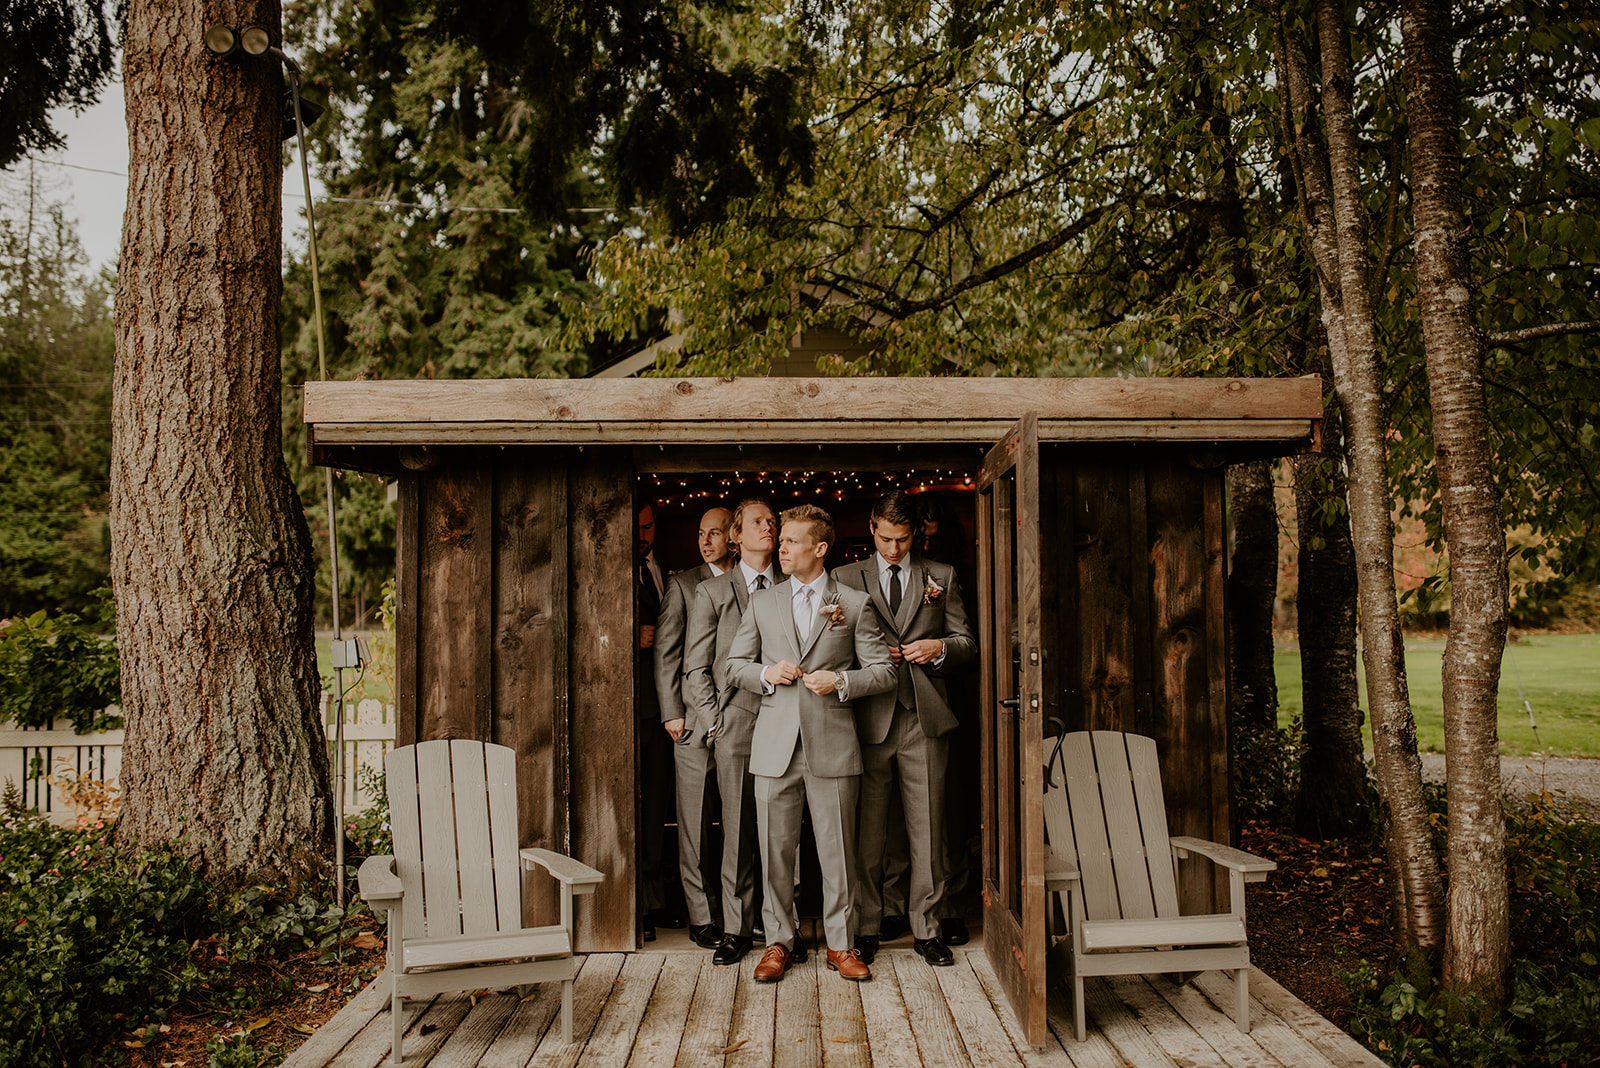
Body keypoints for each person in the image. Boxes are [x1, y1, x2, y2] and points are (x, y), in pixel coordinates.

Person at [726, 504, 897, 983]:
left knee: (839, 850)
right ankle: (779, 941)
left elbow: (883, 671)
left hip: (834, 744)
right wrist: (765, 673)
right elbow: (733, 664)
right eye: (779, 541)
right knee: (774, 851)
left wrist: (841, 681)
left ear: (819, 549)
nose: (779, 548)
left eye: (790, 542)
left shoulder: (855, 604)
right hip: (775, 746)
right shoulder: (762, 603)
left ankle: (841, 945)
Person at [835, 490, 976, 967]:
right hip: (869, 719)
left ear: (915, 533)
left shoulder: (942, 575)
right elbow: (833, 649)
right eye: (886, 537)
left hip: (924, 716)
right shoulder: (844, 578)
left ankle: (928, 928)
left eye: (903, 539)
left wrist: (938, 647)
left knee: (929, 830)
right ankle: (869, 926)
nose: (893, 549)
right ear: (872, 526)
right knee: (868, 836)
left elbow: (967, 643)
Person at [683, 498, 778, 965]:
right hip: (735, 718)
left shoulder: (791, 585)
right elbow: (694, 668)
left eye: (772, 521)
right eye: (758, 521)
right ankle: (737, 929)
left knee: (783, 826)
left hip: (784, 715)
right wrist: (715, 723)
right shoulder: (713, 594)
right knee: (738, 827)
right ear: (736, 536)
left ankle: (783, 929)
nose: (769, 526)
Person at [653, 505, 735, 950]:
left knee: (740, 822)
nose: (706, 541)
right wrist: (671, 711)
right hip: (690, 723)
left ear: (733, 537)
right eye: (702, 533)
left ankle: (738, 911)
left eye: (716, 533)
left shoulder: (749, 580)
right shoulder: (683, 584)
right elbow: (666, 650)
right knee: (694, 823)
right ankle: (701, 915)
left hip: (738, 718)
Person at [635, 499, 680, 940]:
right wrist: (633, 634)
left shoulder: (666, 569)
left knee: (658, 807)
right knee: (638, 807)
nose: (641, 534)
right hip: (633, 707)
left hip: (667, 708)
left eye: (648, 525)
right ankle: (638, 906)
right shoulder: (617, 565)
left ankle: (657, 900)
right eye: (636, 525)